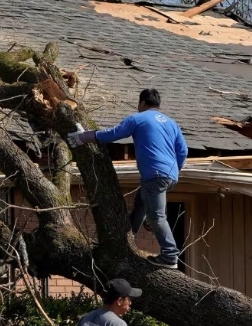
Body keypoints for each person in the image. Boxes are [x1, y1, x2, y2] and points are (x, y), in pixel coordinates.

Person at [67, 89, 188, 269]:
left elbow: (114, 134)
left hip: (154, 175)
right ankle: (129, 235)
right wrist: (172, 171)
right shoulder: (171, 123)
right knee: (141, 202)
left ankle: (170, 256)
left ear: (142, 103)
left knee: (157, 216)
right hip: (170, 175)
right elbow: (183, 151)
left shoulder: (138, 119)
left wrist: (84, 137)